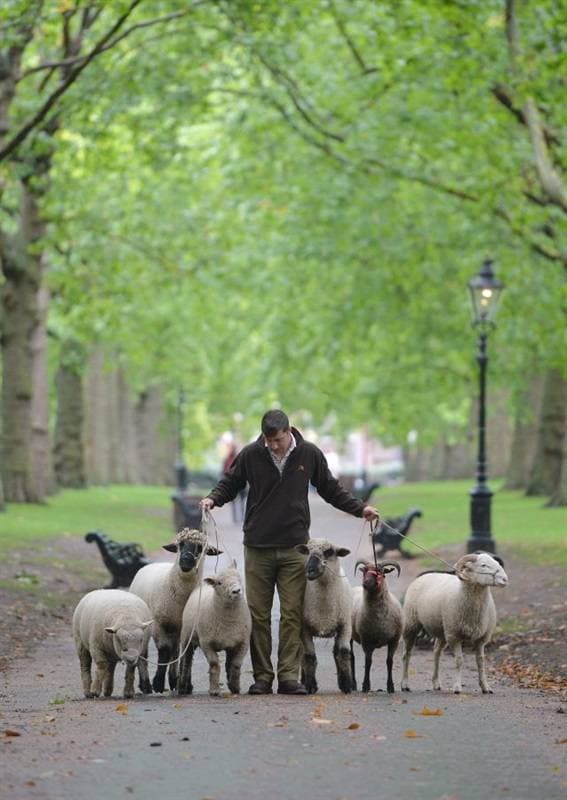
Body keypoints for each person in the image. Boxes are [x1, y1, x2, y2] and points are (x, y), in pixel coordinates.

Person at [200, 409, 380, 696]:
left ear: (289, 432)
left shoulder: (309, 454)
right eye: (268, 440)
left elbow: (330, 489)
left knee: (292, 613)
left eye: (278, 439)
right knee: (258, 614)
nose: (273, 445)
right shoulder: (250, 454)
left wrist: (361, 509)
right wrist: (212, 499)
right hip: (257, 545)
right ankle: (261, 677)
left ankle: (288, 676)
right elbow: (230, 483)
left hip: (295, 546)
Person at [222, 442, 247, 523]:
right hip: (232, 483)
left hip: (241, 482)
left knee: (242, 501)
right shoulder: (227, 459)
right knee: (233, 501)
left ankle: (242, 517)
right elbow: (224, 470)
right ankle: (235, 518)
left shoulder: (239, 457)